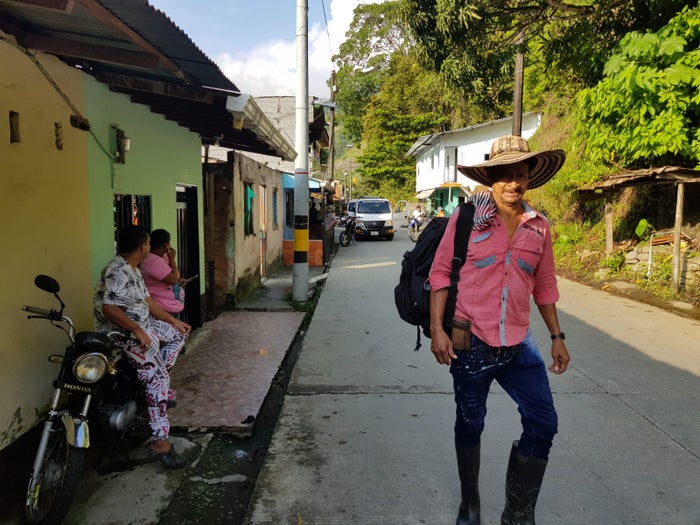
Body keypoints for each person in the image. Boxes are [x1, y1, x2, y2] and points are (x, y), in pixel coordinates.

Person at [428, 135, 571, 525]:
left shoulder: (539, 227)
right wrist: (438, 330)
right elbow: (439, 274)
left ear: (529, 178)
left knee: (544, 423)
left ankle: (518, 513)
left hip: (519, 345)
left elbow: (545, 285)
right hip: (471, 342)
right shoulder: (466, 219)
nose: (513, 182)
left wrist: (557, 337)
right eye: (505, 174)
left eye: (520, 174)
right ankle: (470, 504)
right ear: (491, 179)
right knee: (470, 424)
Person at [94, 225, 192, 469]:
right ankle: (160, 441)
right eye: (148, 242)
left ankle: (151, 382)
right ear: (142, 246)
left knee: (178, 335)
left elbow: (147, 300)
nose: (149, 245)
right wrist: (138, 331)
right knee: (159, 380)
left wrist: (173, 321)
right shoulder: (117, 270)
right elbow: (109, 309)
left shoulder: (134, 269)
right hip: (124, 334)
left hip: (144, 326)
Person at [140, 229, 185, 316]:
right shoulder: (152, 261)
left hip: (170, 306)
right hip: (162, 308)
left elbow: (173, 275)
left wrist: (178, 281)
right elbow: (173, 279)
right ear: (166, 245)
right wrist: (172, 259)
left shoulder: (163, 256)